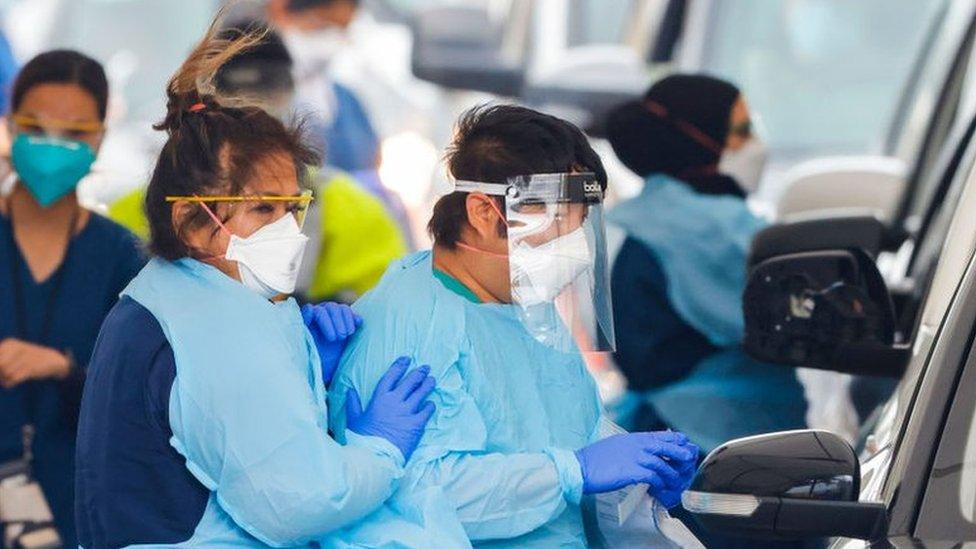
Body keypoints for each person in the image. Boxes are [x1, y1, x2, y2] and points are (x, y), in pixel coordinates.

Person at [74, 23, 439, 547]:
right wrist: (379, 449)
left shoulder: (170, 296)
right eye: (263, 209)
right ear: (191, 222)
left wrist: (307, 371)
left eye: (294, 208)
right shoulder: (217, 330)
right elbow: (300, 504)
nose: (288, 230)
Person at [328, 104, 701, 547]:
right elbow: (423, 497)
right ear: (485, 214)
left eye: (582, 225)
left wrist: (639, 474)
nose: (577, 247)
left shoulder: (521, 307)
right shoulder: (415, 327)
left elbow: (561, 429)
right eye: (560, 221)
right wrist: (572, 471)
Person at [108, 22, 407, 302]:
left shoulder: (353, 212)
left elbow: (390, 321)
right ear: (185, 218)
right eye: (264, 207)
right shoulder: (125, 223)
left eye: (292, 209)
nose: (256, 121)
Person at [604, 74, 806, 453]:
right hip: (712, 445)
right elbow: (796, 310)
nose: (756, 148)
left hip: (663, 434)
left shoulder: (649, 215)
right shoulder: (710, 227)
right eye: (742, 133)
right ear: (699, 139)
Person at [0, 50, 145, 546]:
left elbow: (141, 396)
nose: (53, 146)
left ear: (101, 138)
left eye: (75, 134)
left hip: (77, 504)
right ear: (9, 125)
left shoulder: (124, 258)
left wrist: (65, 369)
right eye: (35, 127)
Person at [263, 0, 413, 241]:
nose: (332, 39)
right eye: (323, 26)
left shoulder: (348, 100)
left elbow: (373, 168)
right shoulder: (260, 107)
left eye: (341, 30)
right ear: (280, 12)